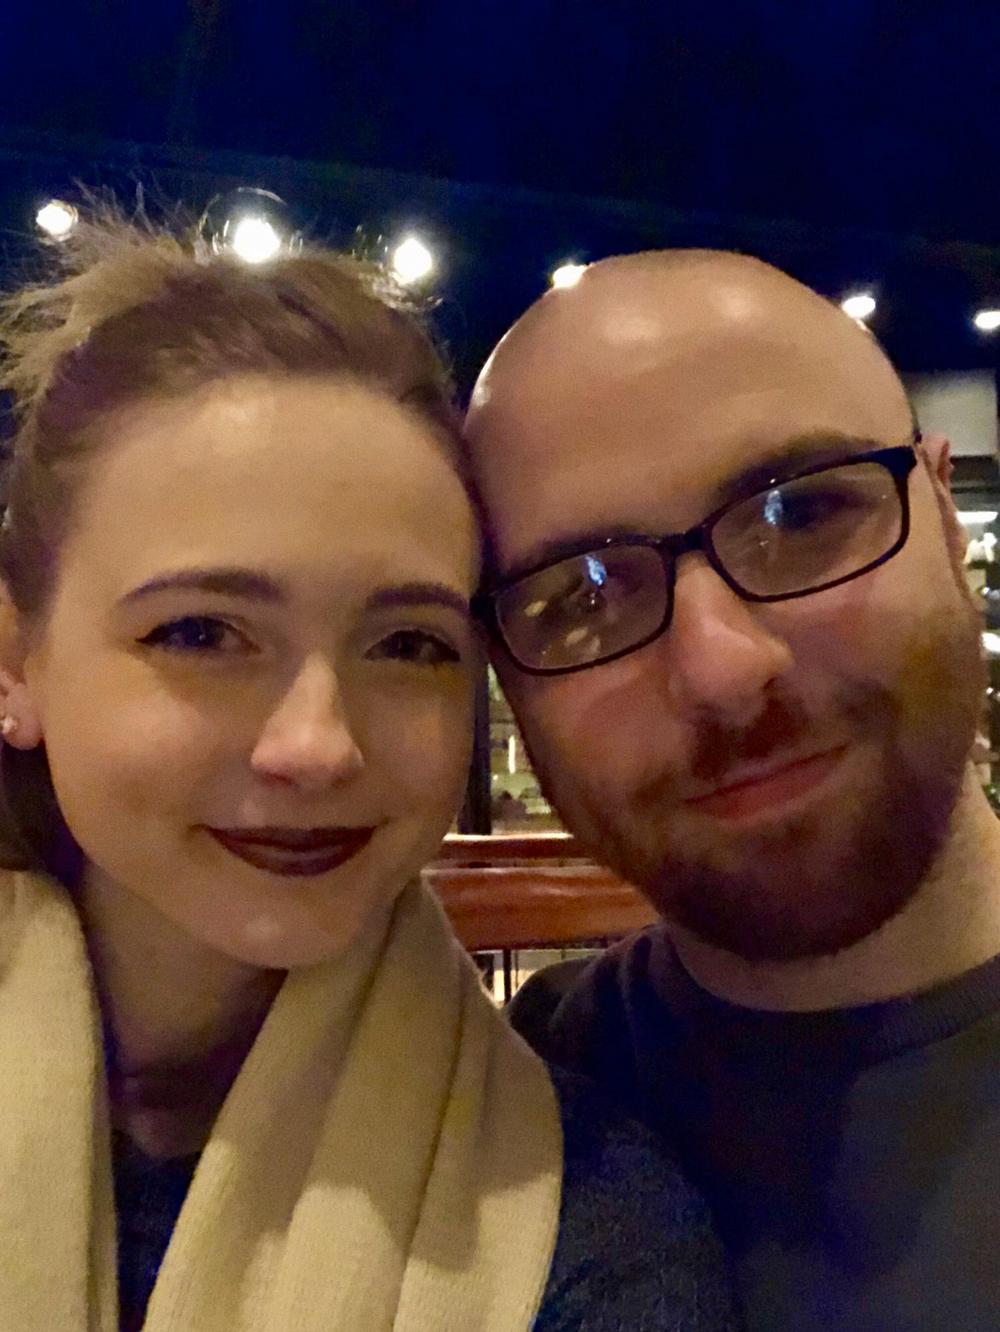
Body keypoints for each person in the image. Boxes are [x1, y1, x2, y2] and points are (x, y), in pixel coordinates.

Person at [0, 214, 735, 1331]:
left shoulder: (584, 1230)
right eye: (200, 633)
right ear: (17, 662)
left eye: (406, 645)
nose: (318, 746)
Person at [465, 249, 1000, 1330]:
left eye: (800, 515)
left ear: (944, 517)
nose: (721, 668)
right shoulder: (494, 1132)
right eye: (583, 596)